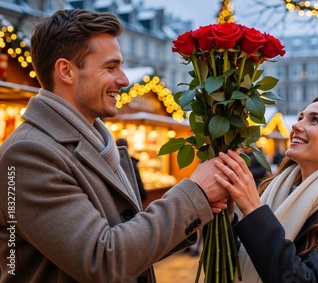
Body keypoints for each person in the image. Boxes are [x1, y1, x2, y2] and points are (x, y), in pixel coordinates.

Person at [0, 9, 229, 283]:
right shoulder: (28, 154)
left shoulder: (95, 142)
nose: (123, 79)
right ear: (66, 71)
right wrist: (194, 195)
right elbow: (103, 259)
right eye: (111, 67)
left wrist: (198, 204)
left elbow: (126, 240)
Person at [215, 96, 318, 282]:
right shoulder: (274, 189)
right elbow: (234, 266)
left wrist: (254, 211)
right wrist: (225, 218)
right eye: (300, 118)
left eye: (315, 120)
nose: (296, 126)